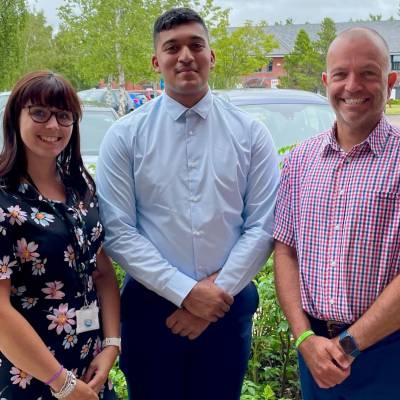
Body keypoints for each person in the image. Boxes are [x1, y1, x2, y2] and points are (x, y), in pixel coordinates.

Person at [96, 7, 279, 400]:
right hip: (150, 310)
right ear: (155, 60)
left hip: (227, 308)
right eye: (172, 47)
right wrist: (186, 293)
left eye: (196, 45)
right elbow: (118, 230)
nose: (185, 56)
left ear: (211, 55)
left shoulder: (251, 134)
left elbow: (263, 223)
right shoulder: (124, 136)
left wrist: (213, 296)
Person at [274, 27, 400, 399]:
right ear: (327, 81)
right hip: (313, 350)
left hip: (386, 353)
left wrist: (348, 345)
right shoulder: (300, 160)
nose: (352, 85)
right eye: (341, 74)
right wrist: (304, 338)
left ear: (390, 81)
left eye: (368, 73)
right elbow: (285, 250)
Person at [0, 71, 120, 399]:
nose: (53, 126)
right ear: (15, 117)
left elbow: (102, 272)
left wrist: (111, 346)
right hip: (31, 375)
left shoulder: (80, 189)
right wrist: (62, 384)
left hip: (90, 368)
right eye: (39, 113)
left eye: (63, 116)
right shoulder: (4, 198)